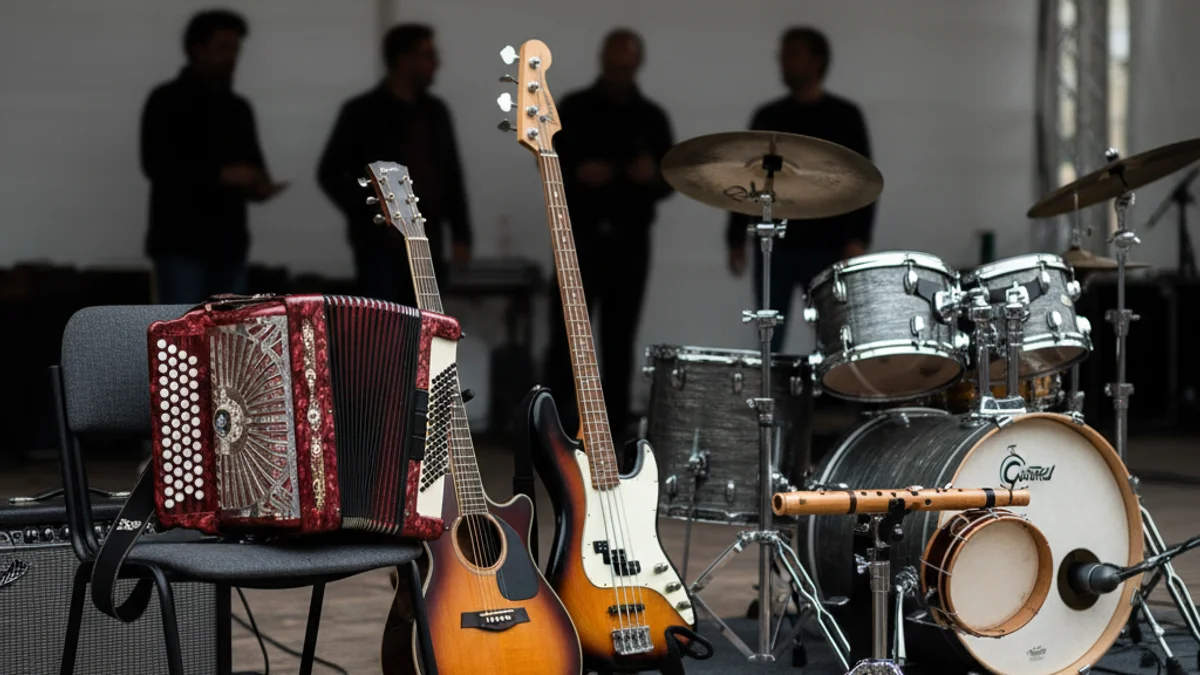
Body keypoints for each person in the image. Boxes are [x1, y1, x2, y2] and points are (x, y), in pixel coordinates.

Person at [545, 28, 674, 438]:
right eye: (613, 66)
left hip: (630, 240)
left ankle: (612, 431)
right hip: (579, 237)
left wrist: (650, 178)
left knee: (620, 339)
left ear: (637, 65)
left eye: (626, 67)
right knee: (567, 334)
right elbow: (549, 165)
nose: (619, 74)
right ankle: (556, 427)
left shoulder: (651, 117)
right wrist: (580, 175)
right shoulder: (575, 108)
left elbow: (669, 180)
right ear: (603, 61)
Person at [727, 26, 875, 352]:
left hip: (829, 244)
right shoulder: (769, 116)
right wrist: (736, 237)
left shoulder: (844, 117)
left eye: (792, 53)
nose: (782, 60)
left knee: (836, 339)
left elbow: (863, 181)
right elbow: (746, 179)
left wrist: (858, 239)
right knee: (769, 335)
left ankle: (836, 400)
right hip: (776, 246)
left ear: (816, 60)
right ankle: (774, 401)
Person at [317, 23, 471, 306]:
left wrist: (461, 234)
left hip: (428, 240)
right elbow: (331, 173)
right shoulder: (362, 112)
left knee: (425, 324)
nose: (435, 63)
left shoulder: (435, 112)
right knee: (382, 328)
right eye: (427, 55)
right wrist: (373, 206)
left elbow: (451, 174)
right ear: (404, 59)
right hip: (380, 244)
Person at [141, 9, 285, 304]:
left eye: (235, 48)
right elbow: (156, 164)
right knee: (182, 333)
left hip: (230, 244)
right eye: (223, 47)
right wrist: (222, 174)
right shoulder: (166, 100)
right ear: (197, 49)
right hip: (180, 241)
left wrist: (259, 185)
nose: (231, 56)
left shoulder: (238, 108)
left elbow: (255, 166)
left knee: (230, 337)